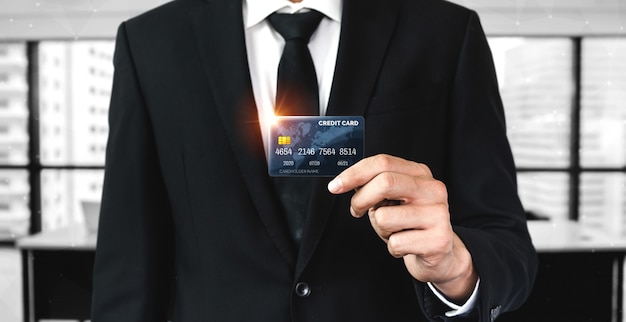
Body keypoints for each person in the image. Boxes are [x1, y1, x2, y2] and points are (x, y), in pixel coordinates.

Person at [91, 0, 538, 321]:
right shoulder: (149, 42)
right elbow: (128, 262)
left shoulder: (445, 32)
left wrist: (456, 268)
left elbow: (507, 245)